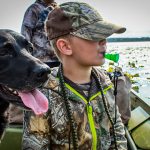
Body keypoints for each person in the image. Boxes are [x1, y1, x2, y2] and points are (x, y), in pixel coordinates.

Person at [22, 2, 127, 150]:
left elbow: (117, 133)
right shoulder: (43, 93)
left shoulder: (106, 82)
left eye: (104, 35)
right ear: (65, 46)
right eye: (94, 35)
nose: (104, 41)